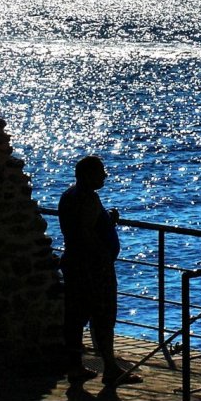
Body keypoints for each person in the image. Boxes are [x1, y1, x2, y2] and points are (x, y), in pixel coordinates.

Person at [58, 155, 142, 385]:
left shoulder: (69, 195)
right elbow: (85, 232)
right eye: (100, 172)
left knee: (75, 317)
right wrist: (103, 256)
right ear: (87, 175)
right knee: (103, 317)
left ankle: (75, 367)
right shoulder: (88, 199)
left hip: (74, 264)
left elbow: (85, 226)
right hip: (93, 269)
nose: (105, 175)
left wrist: (107, 220)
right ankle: (110, 369)